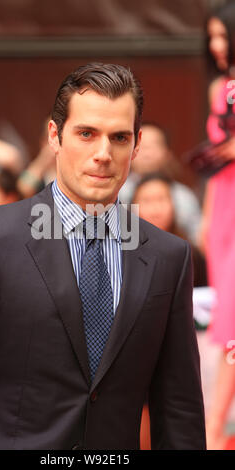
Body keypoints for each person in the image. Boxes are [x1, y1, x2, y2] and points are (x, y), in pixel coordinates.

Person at [0, 63, 206, 450]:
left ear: (137, 144)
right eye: (86, 133)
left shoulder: (168, 257)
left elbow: (179, 411)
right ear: (54, 136)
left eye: (119, 137)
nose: (103, 153)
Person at [198, 3, 235, 450]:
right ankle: (212, 429)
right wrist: (208, 217)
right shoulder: (218, 89)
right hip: (223, 205)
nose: (216, 46)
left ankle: (211, 430)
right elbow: (212, 160)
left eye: (223, 35)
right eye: (212, 37)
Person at [119, 123, 202, 244]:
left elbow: (198, 239)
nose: (147, 153)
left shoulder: (183, 196)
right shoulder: (116, 191)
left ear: (167, 153)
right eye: (141, 146)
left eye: (154, 145)